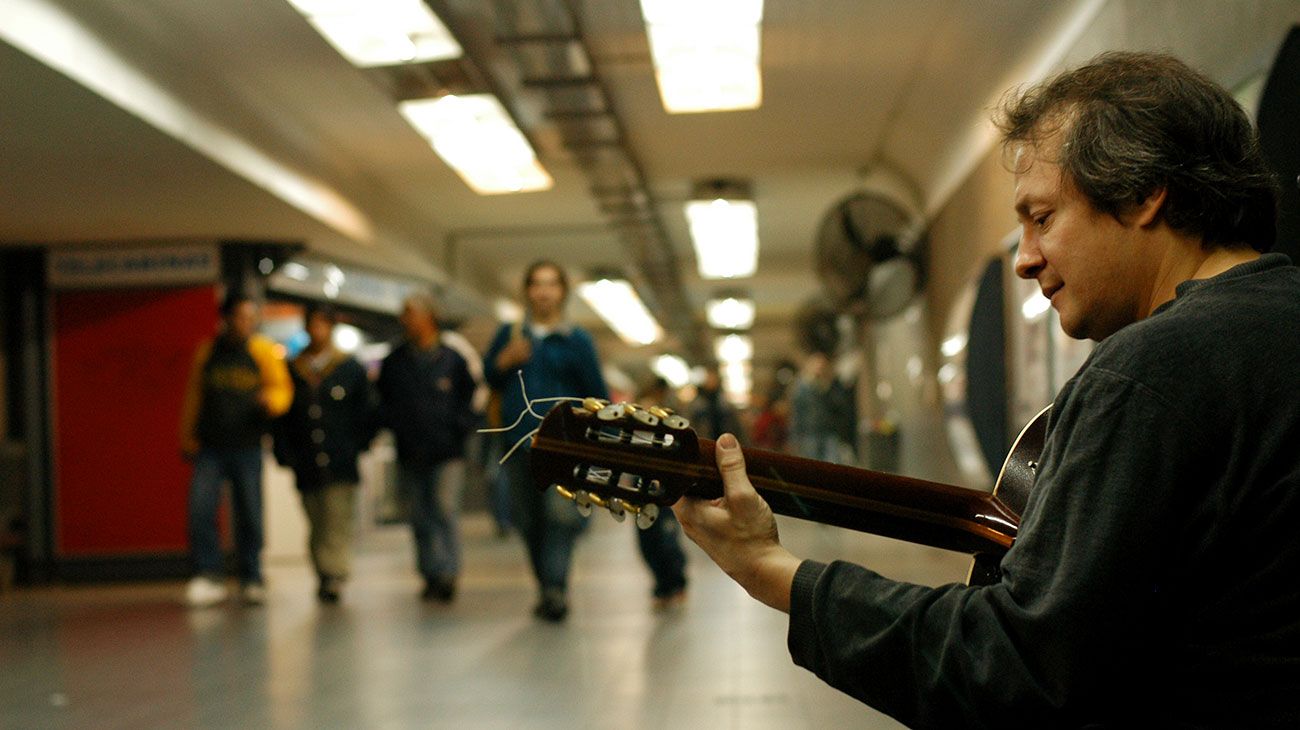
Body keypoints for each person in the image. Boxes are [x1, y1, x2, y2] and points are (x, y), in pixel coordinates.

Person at [673, 51, 1299, 728]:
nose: (1024, 258)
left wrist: (772, 570)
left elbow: (1018, 670)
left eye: (1042, 217)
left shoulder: (1150, 371)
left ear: (1144, 193)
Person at [484, 260, 607, 622]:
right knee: (527, 519)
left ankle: (555, 588)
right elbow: (489, 377)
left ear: (562, 292)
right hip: (517, 442)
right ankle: (546, 587)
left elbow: (596, 393)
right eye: (537, 284)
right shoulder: (509, 335)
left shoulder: (577, 340)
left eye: (552, 284)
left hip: (563, 444)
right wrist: (505, 360)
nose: (544, 291)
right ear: (527, 291)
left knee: (560, 515)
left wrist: (601, 443)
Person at [179, 292, 292, 607]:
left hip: (247, 446)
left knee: (250, 513)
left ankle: (251, 576)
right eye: (240, 317)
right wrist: (186, 437)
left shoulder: (262, 351)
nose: (246, 323)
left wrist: (272, 402)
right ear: (226, 318)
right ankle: (208, 575)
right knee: (201, 510)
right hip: (211, 447)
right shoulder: (208, 352)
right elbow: (194, 396)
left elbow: (282, 388)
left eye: (251, 318)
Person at [376, 293, 478, 603]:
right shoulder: (395, 361)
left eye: (412, 313)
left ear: (429, 317)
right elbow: (382, 400)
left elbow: (470, 398)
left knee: (444, 509)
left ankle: (448, 571)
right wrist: (395, 425)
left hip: (447, 451)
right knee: (419, 515)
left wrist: (459, 428)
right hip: (410, 451)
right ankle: (430, 572)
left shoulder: (452, 359)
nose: (406, 320)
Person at [273, 304, 374, 604]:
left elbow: (366, 411)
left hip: (341, 459)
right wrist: (284, 452)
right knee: (316, 520)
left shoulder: (349, 368)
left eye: (322, 325)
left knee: (336, 518)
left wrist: (358, 444)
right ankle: (323, 572)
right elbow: (283, 418)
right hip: (306, 460)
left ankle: (335, 574)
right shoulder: (293, 369)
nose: (317, 331)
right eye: (312, 325)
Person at [633, 377, 689, 610]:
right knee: (647, 541)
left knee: (666, 538)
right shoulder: (634, 418)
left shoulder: (672, 418)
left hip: (664, 485)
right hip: (640, 487)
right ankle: (662, 584)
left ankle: (676, 582)